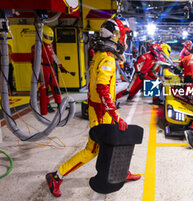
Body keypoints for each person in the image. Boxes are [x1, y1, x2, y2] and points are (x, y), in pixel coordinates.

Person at [45, 19, 140, 197]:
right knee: (92, 150)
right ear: (115, 36)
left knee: (116, 140)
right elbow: (102, 88)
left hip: (102, 109)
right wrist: (115, 115)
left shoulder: (99, 55)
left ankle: (121, 172)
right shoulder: (108, 59)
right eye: (123, 35)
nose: (124, 39)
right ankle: (56, 176)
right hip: (102, 111)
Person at [31, 25, 69, 113]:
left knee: (55, 86)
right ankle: (46, 106)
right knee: (44, 89)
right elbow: (33, 61)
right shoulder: (36, 47)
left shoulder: (50, 46)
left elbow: (53, 56)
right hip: (42, 68)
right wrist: (36, 74)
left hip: (50, 68)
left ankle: (60, 104)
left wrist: (60, 66)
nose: (49, 38)